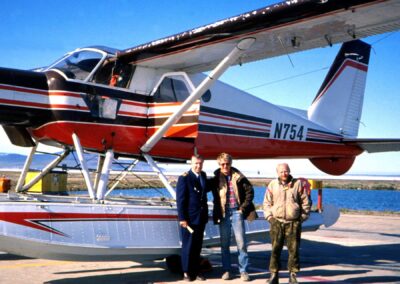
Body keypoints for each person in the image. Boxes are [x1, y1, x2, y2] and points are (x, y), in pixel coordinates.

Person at [211, 152, 257, 281]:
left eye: (228, 164)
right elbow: (203, 188)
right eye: (223, 164)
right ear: (219, 164)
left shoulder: (239, 177)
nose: (225, 166)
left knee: (241, 243)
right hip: (223, 213)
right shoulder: (216, 178)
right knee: (224, 244)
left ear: (231, 164)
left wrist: (243, 208)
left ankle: (243, 271)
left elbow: (250, 192)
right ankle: (226, 270)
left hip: (237, 212)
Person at [263, 163, 311, 284]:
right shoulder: (272, 184)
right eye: (281, 172)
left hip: (293, 222)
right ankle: (274, 275)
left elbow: (305, 202)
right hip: (277, 222)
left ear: (289, 171)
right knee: (275, 250)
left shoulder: (297, 184)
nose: (284, 174)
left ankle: (293, 275)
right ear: (277, 173)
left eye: (286, 171)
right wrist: (269, 217)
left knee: (293, 250)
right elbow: (266, 203)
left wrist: (302, 217)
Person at [176, 154, 209, 282]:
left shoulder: (203, 176)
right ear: (191, 163)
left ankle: (196, 270)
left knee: (197, 246)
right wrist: (182, 218)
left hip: (201, 218)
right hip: (189, 219)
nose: (198, 166)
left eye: (200, 163)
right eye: (196, 163)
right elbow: (181, 200)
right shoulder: (184, 178)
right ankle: (186, 272)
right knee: (187, 247)